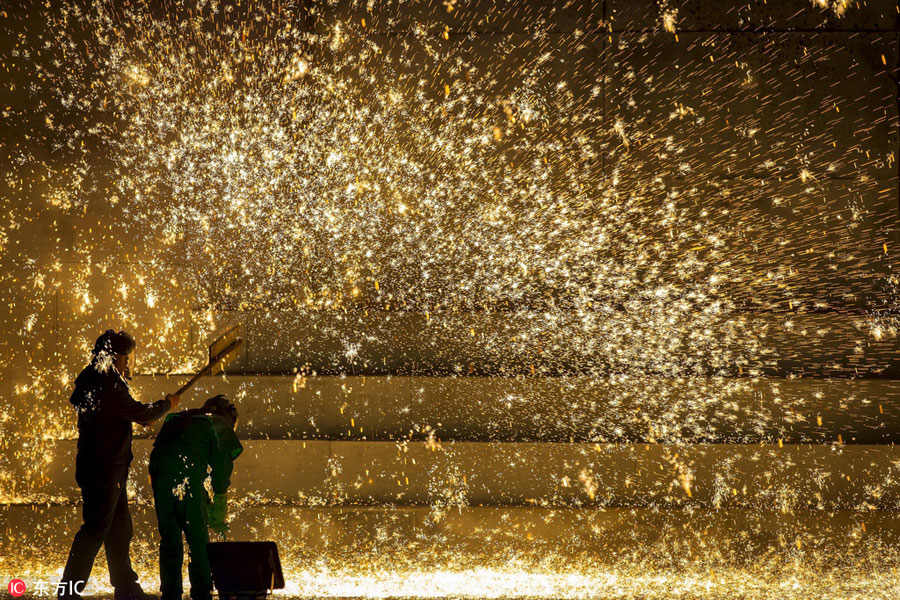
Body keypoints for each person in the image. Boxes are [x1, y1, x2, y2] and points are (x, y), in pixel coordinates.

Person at [60, 330, 180, 600]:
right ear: (114, 357)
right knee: (95, 530)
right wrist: (166, 405)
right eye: (125, 357)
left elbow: (120, 413)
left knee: (119, 530)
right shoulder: (107, 382)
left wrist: (135, 416)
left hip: (106, 469)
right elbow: (139, 411)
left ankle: (126, 587)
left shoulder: (94, 377)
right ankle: (67, 592)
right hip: (105, 470)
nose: (127, 363)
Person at [149, 395, 243, 600]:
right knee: (198, 540)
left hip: (161, 479)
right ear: (229, 419)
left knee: (170, 539)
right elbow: (220, 471)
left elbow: (176, 454)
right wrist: (219, 501)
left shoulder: (178, 418)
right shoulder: (220, 425)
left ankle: (170, 592)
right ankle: (202, 592)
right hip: (188, 481)